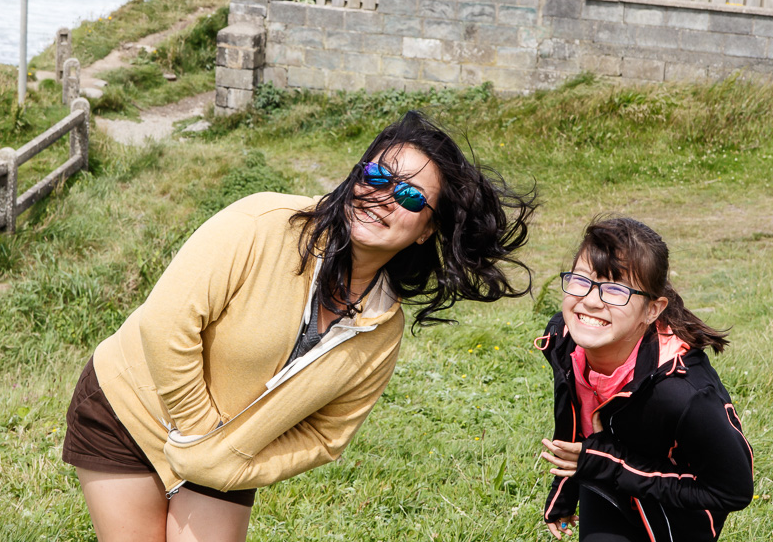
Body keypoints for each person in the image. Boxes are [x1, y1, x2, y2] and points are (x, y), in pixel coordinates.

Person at [62, 110, 536, 542]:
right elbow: (166, 325)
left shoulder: (382, 327)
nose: (382, 198)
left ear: (427, 229)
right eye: (376, 176)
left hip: (220, 454)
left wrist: (236, 463)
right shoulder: (263, 223)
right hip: (129, 407)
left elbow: (327, 437)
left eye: (410, 196)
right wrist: (200, 433)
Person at [536, 217, 753, 542]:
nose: (591, 301)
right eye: (581, 281)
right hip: (606, 483)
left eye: (616, 289)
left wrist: (607, 464)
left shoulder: (683, 393)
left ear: (653, 310)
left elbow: (731, 491)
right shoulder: (563, 340)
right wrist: (564, 493)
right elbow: (576, 422)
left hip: (674, 518)